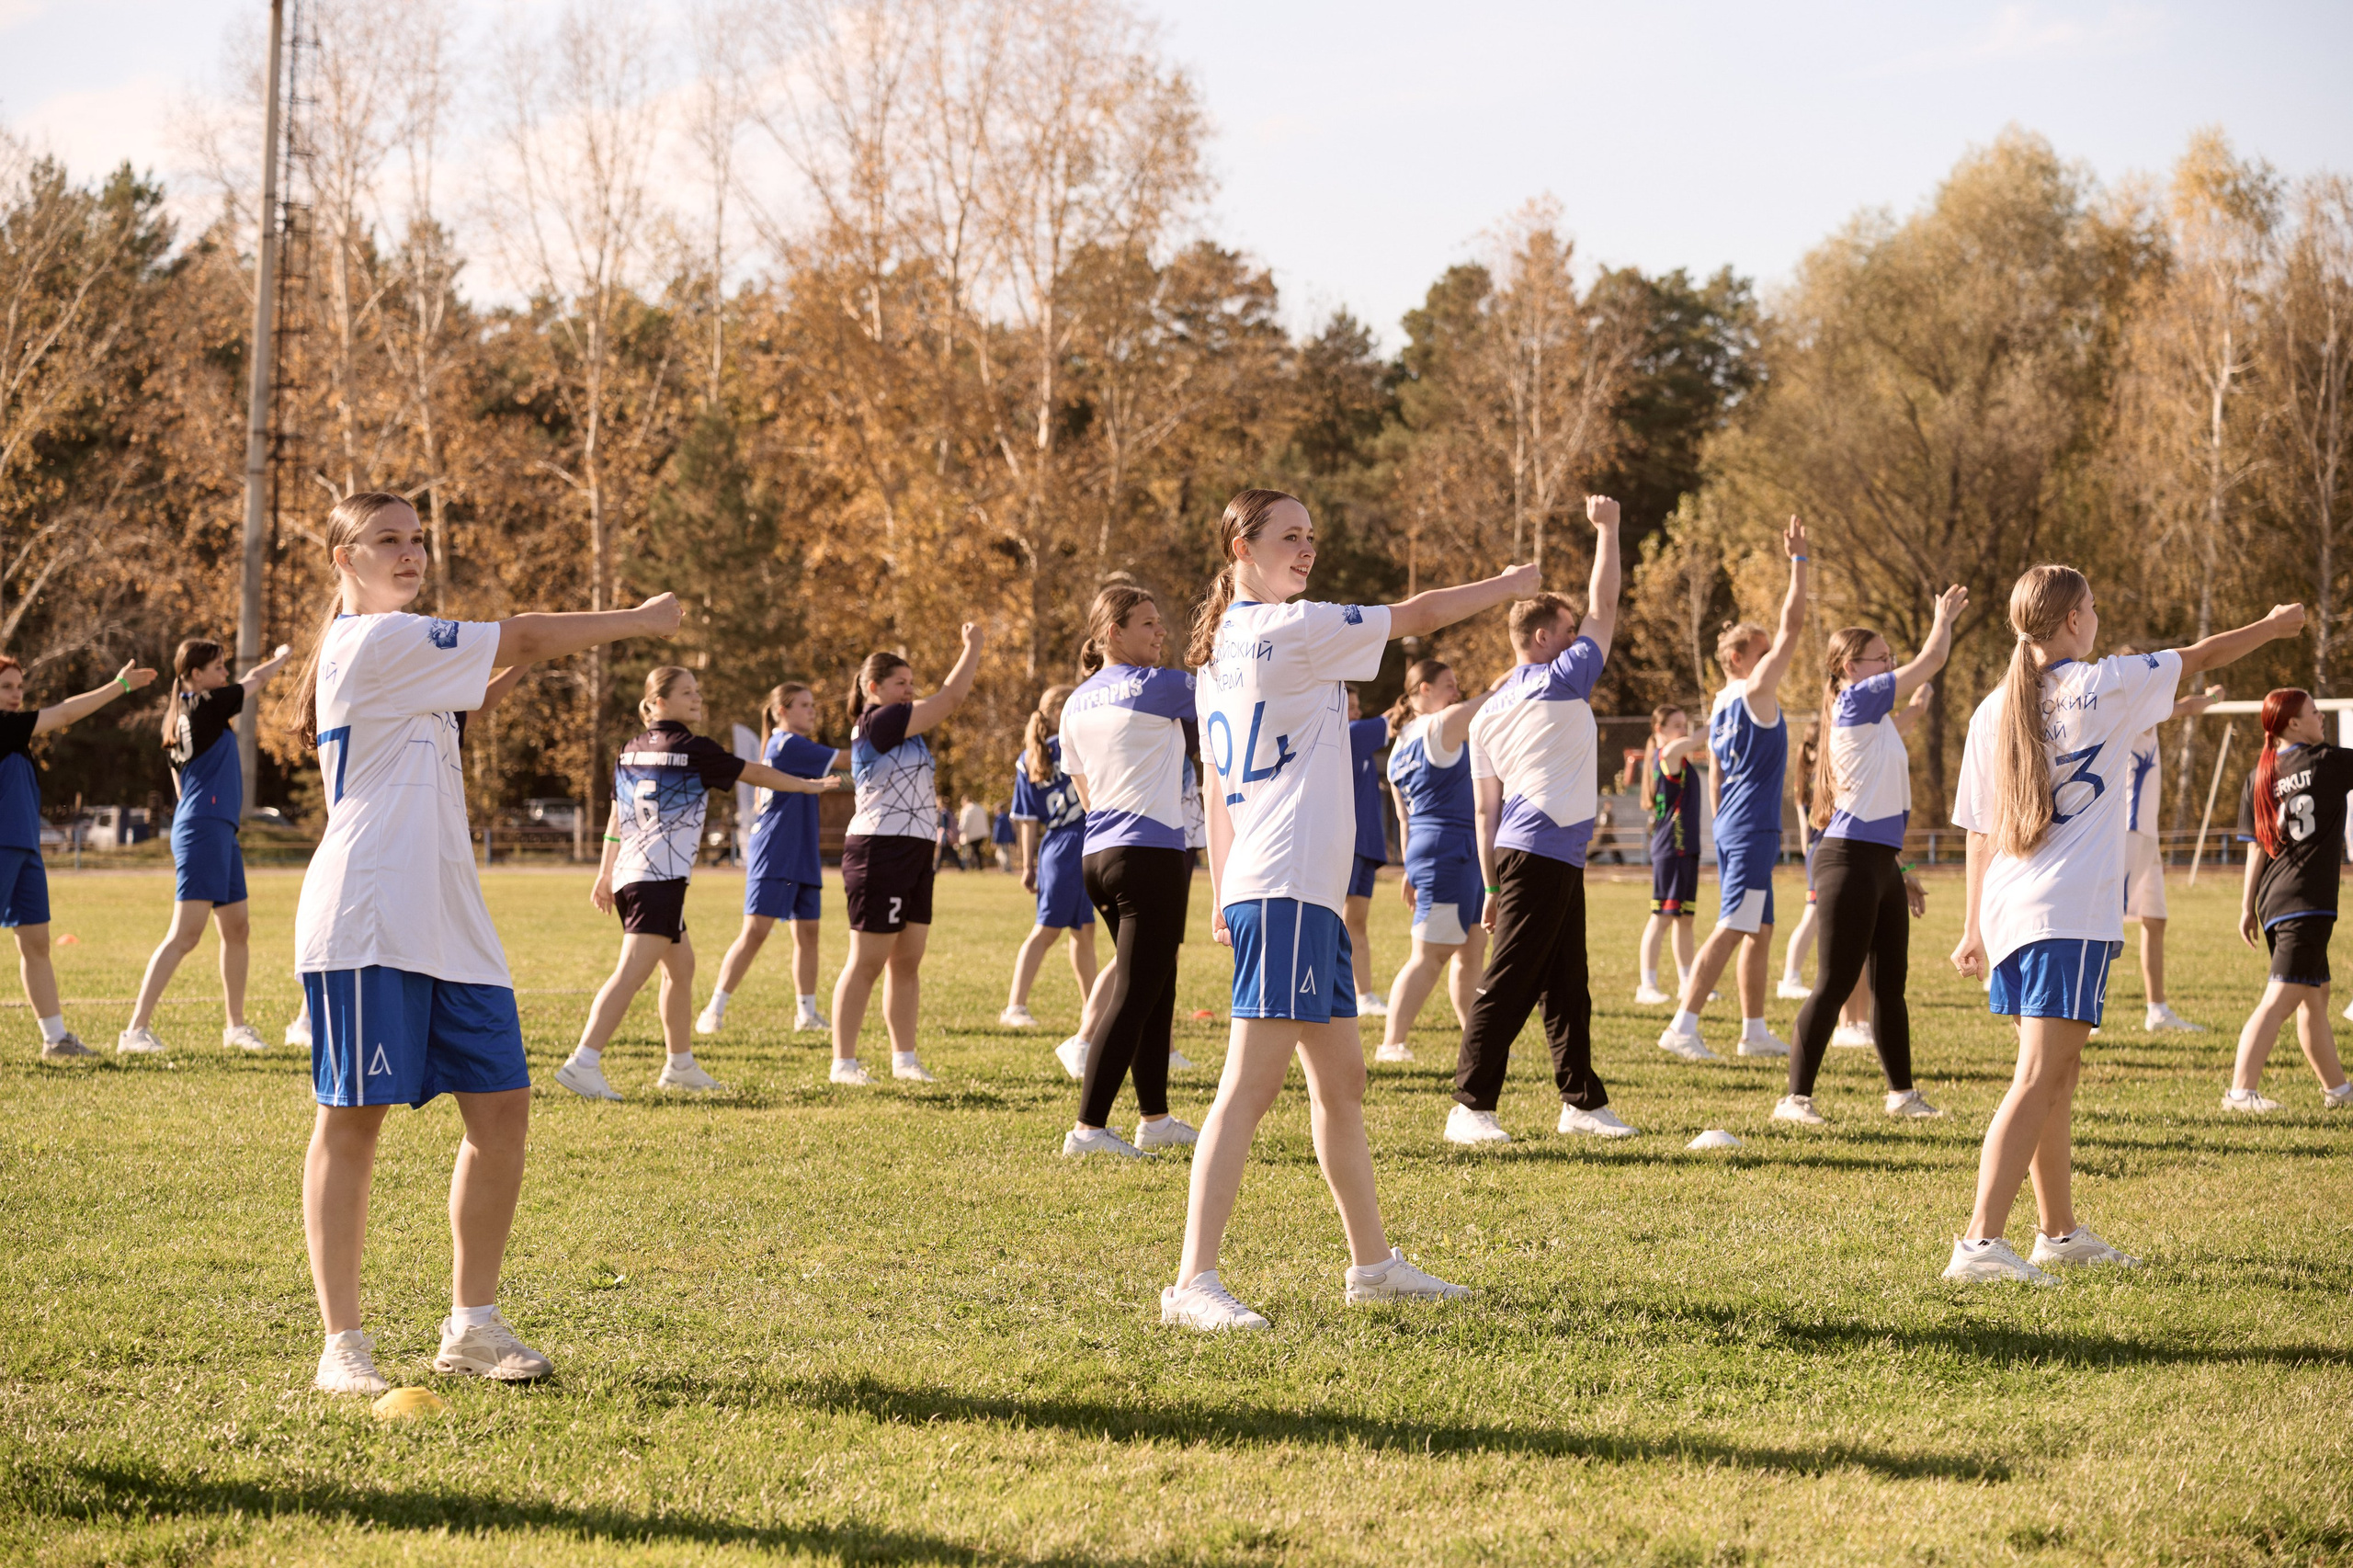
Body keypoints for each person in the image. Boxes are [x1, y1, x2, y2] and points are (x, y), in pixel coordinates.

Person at [291, 489, 684, 1394]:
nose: (410, 552)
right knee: (353, 1121)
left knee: (503, 1109)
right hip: (370, 914)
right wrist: (638, 619)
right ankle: (342, 1344)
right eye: (387, 540)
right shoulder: (375, 640)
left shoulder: (406, 654)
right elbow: (526, 637)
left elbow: (489, 677)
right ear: (342, 560)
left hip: (452, 921)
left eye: (418, 539)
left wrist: (504, 675)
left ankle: (471, 1323)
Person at [1164, 487, 1532, 1330]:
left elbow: (1218, 792)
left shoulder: (1219, 651)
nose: (1308, 548)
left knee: (1344, 1084)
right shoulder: (1288, 628)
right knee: (1247, 1090)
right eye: (1290, 536)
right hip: (1289, 884)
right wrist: (1509, 584)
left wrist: (1224, 891)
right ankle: (1193, 1282)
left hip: (1290, 888)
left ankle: (1372, 1266)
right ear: (1240, 551)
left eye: (1312, 535)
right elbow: (1419, 614)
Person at [1945, 565, 2301, 1284]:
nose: (2098, 617)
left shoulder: (1992, 709)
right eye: (2094, 607)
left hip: (2012, 910)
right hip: (2065, 910)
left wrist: (1973, 926)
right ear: (2073, 621)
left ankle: (2058, 1232)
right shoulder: (2101, 683)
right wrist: (2271, 625)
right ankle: (1979, 1244)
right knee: (2041, 1075)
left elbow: (1979, 833)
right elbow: (2199, 655)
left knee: (2056, 1077)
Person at [557, 668, 842, 1101]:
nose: (697, 698)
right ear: (656, 702)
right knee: (631, 973)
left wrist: (604, 872)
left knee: (681, 968)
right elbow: (759, 774)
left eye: (697, 690)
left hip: (634, 875)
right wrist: (809, 785)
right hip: (658, 879)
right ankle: (584, 1062)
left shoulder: (629, 749)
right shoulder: (693, 749)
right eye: (686, 692)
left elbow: (618, 816)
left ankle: (680, 1064)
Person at [1443, 499, 1631, 1147]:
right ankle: (1470, 1106)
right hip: (1544, 850)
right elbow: (1605, 606)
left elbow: (1483, 810)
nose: (1584, 635)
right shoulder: (1562, 677)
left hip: (1531, 853)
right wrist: (1606, 530)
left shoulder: (1490, 708)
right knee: (1512, 979)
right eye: (1570, 627)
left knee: (1566, 982)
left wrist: (1493, 886)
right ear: (1546, 637)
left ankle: (1580, 1100)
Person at [1775, 596, 1964, 1126]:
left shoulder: (1874, 721)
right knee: (1834, 983)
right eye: (1878, 659)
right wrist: (1942, 622)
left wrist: (1900, 871)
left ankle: (1902, 1095)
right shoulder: (1853, 701)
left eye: (1888, 657)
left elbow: (1883, 787)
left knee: (1890, 987)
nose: (1888, 665)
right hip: (1847, 860)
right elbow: (1930, 662)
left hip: (1877, 861)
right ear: (1847, 669)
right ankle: (1794, 1100)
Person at [1054, 585, 1199, 1155]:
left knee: (1155, 986)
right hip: (1149, 855)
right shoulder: (1155, 686)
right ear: (1113, 633)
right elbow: (1230, 692)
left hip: (1099, 855)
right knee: (1137, 993)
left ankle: (1155, 1119)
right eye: (1148, 624)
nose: (1162, 632)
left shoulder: (1073, 702)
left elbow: (1086, 792)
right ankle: (1088, 1130)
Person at [1660, 517, 1810, 1063]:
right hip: (1749, 829)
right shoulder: (1752, 692)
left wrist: (1727, 821)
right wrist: (1799, 564)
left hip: (1738, 825)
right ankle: (1682, 1024)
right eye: (1763, 651)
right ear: (1739, 659)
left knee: (1760, 929)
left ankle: (1752, 1030)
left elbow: (1717, 773)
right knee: (1731, 927)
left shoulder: (1721, 705)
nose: (1774, 657)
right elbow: (1793, 627)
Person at [116, 638, 294, 1056]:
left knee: (237, 929)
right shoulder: (205, 705)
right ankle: (135, 1031)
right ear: (195, 675)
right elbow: (254, 680)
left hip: (215, 829)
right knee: (185, 935)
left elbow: (180, 786)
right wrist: (282, 659)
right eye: (217, 668)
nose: (225, 674)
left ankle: (235, 1027)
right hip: (204, 829)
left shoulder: (184, 715)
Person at [831, 630, 983, 1085]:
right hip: (880, 847)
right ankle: (844, 1062)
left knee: (907, 961)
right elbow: (951, 698)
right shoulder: (880, 720)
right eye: (901, 682)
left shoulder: (904, 728)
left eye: (912, 683)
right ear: (871, 688)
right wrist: (972, 647)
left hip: (915, 848)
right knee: (868, 960)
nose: (910, 690)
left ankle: (905, 1059)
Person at [0, 653, 158, 1062]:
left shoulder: (14, 736)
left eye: (19, 686)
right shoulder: (5, 728)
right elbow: (65, 712)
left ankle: (56, 1040)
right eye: (7, 688)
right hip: (4, 847)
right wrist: (119, 686)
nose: (17, 695)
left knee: (36, 942)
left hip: (25, 849)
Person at [698, 682, 851, 1039]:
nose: (812, 711)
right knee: (755, 933)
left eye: (813, 705)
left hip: (801, 853)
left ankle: (806, 1014)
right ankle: (713, 1008)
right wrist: (887, 737)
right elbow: (844, 760)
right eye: (804, 705)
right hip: (775, 852)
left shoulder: (790, 744)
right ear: (781, 710)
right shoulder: (787, 743)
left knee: (808, 933)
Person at [2224, 688, 2353, 1112]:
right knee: (2280, 999)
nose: (2321, 719)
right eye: (2315, 713)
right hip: (2307, 901)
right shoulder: (2328, 762)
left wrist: (2246, 907)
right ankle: (2241, 1093)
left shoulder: (2261, 775)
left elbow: (2256, 848)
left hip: (2274, 901)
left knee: (2315, 997)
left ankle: (2338, 1089)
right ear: (2294, 724)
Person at [1374, 658, 1494, 1063]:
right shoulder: (1438, 726)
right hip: (1450, 850)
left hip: (1452, 851)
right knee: (1430, 955)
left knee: (1471, 954)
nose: (1456, 692)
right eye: (1449, 684)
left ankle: (1477, 1045)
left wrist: (1410, 867)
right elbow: (1494, 697)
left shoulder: (1399, 746)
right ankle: (1392, 1043)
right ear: (1423, 689)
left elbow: (1405, 821)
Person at [2120, 653, 2225, 1032]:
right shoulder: (2130, 710)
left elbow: (2184, 707)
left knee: (2155, 920)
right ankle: (2086, 1012)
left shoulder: (2147, 709)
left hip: (2146, 832)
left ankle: (2157, 1010)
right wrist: (2211, 698)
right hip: (2128, 829)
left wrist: (2211, 699)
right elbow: (2187, 707)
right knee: (2106, 924)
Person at [1000, 686, 1098, 1029]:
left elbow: (1026, 819)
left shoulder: (1027, 756)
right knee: (1047, 929)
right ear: (1060, 710)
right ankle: (1015, 1005)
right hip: (1071, 843)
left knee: (1084, 930)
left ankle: (1092, 1009)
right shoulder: (1074, 745)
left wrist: (1027, 864)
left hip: (1059, 844)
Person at [1632, 704, 1708, 1006]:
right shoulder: (1668, 755)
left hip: (1686, 848)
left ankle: (1687, 982)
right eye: (1676, 725)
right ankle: (1647, 985)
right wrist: (1722, 716)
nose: (1683, 730)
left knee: (1684, 918)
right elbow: (1694, 741)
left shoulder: (1680, 758)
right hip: (1670, 848)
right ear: (1659, 731)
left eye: (1684, 723)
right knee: (1661, 917)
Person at [1343, 687, 1391, 1017]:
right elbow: (1395, 718)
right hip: (1347, 842)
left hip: (1365, 843)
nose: (1358, 714)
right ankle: (1342, 994)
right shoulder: (1347, 733)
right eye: (1352, 707)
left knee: (1357, 923)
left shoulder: (1357, 736)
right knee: (1341, 923)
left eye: (1359, 707)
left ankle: (1364, 995)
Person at [993, 801, 1016, 871]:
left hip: (1001, 839)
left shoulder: (999, 818)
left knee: (1002, 855)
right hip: (1007, 839)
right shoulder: (1007, 818)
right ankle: (1006, 868)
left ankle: (1006, 869)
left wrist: (994, 841)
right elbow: (1012, 830)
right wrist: (1013, 840)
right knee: (1005, 854)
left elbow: (997, 830)